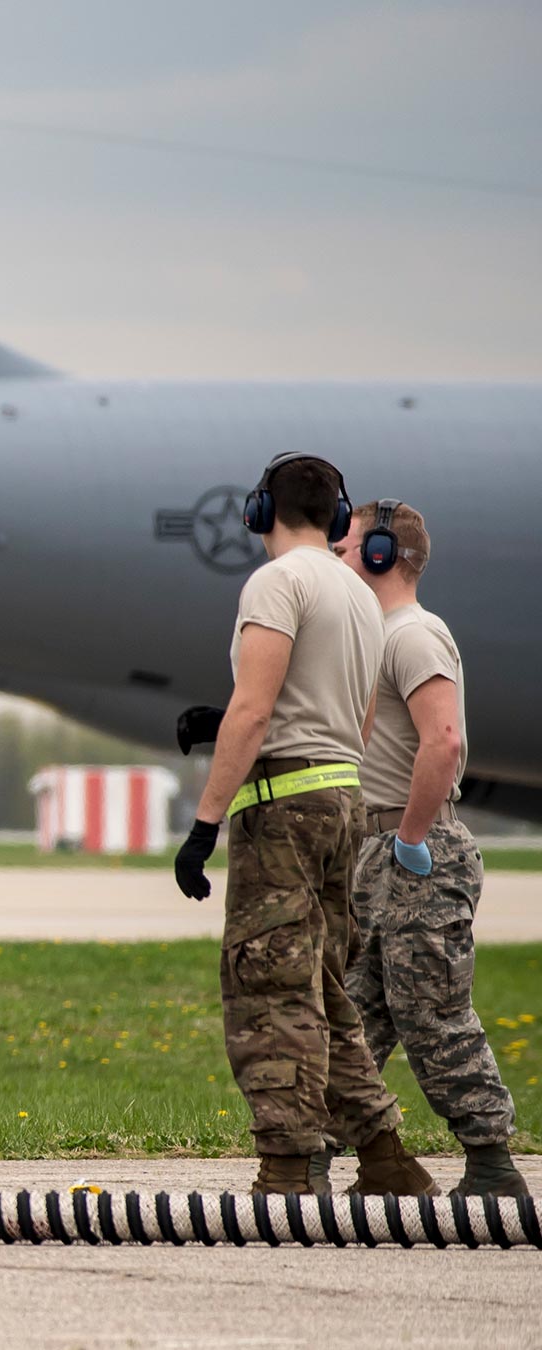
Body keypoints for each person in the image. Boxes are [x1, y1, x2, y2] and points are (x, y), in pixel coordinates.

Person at [170, 452, 433, 1197]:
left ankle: (285, 1169)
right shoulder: (355, 595)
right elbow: (347, 717)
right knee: (322, 988)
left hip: (282, 808)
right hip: (341, 799)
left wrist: (204, 824)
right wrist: (230, 724)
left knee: (271, 985)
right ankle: (385, 1158)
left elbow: (257, 711)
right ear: (339, 517)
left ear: (261, 511)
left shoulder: (277, 583)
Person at [335, 500, 526, 1198]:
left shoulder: (414, 635)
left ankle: (492, 1167)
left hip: (414, 849)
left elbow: (444, 742)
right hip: (375, 846)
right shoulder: (376, 635)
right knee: (353, 1015)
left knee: (431, 1012)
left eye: (349, 546)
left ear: (383, 554)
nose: (337, 555)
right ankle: (332, 1164)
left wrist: (410, 840)